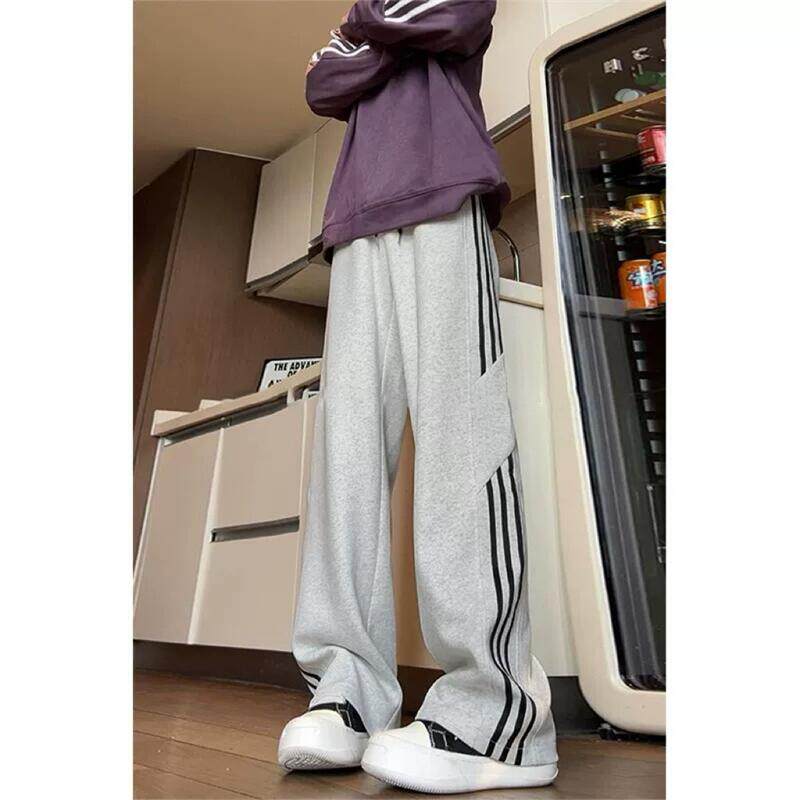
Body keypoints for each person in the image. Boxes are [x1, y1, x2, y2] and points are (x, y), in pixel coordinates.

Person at [277, 1, 557, 793]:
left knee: (461, 444)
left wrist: (365, 30)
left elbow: (447, 16)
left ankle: (498, 714)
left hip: (443, 195)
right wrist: (384, 37)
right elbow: (322, 83)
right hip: (353, 222)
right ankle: (347, 692)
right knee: (346, 460)